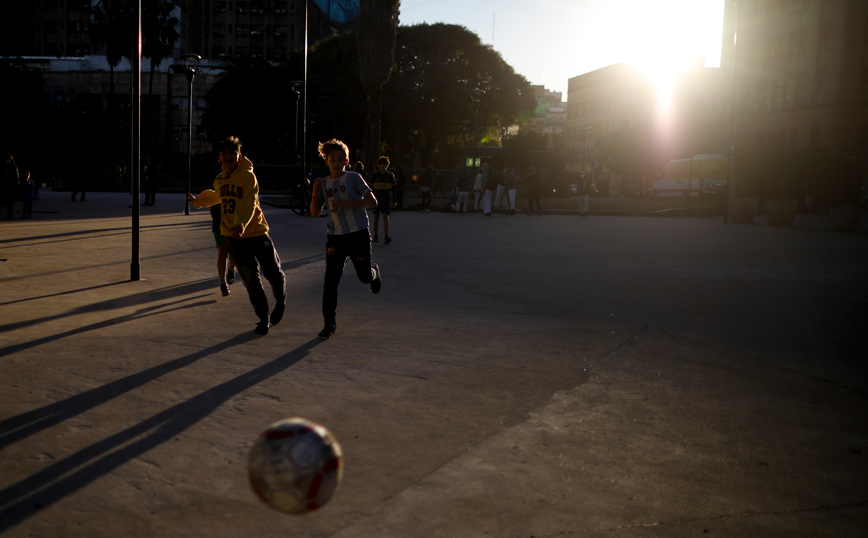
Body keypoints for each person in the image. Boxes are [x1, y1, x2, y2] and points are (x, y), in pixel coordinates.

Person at [187, 136, 286, 336]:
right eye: (225, 153)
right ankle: (263, 317)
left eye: (233, 153)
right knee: (250, 276)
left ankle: (281, 301)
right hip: (233, 236)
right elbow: (216, 196)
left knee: (272, 272)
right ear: (219, 159)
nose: (229, 156)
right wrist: (197, 200)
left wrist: (241, 224)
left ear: (239, 157)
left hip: (256, 231)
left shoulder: (248, 177)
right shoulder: (220, 180)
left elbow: (248, 204)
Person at [309, 138, 382, 340]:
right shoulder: (323, 184)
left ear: (346, 161)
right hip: (335, 238)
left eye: (340, 160)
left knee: (364, 277)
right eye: (332, 159)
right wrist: (315, 195)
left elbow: (373, 201)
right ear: (327, 161)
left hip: (358, 234)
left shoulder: (354, 178)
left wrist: (348, 203)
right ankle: (328, 324)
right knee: (330, 282)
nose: (336, 163)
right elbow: (315, 213)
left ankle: (374, 273)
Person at [210, 204, 237, 296]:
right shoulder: (217, 190)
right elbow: (210, 200)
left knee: (234, 252)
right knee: (222, 251)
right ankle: (222, 282)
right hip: (219, 220)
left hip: (234, 221)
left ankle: (231, 269)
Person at [369, 155, 396, 244]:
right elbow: (369, 189)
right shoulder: (374, 176)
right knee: (376, 217)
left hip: (386, 199)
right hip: (376, 200)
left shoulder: (390, 176)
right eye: (381, 164)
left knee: (385, 217)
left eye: (385, 165)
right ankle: (376, 234)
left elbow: (394, 190)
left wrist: (395, 201)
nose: (383, 166)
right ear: (378, 165)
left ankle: (386, 236)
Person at [3, 154, 19, 219]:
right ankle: (8, 211)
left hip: (11, 185)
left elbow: (17, 177)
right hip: (5, 185)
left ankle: (10, 212)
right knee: (7, 200)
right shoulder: (4, 167)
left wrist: (17, 185)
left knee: (11, 200)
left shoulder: (14, 167)